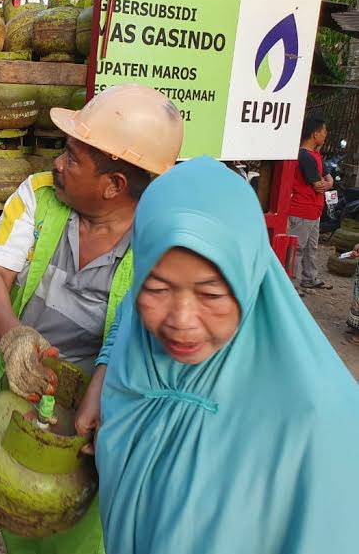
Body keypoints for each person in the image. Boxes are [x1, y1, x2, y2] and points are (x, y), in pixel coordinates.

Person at [87, 156, 359, 553]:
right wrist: (100, 379)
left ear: (250, 277)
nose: (181, 321)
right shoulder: (138, 343)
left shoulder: (318, 423)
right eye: (158, 289)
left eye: (211, 294)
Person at [0, 83, 184, 554]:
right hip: (25, 388)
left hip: (101, 414)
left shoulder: (158, 239)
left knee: (84, 529)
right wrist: (14, 336)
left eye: (72, 157)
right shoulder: (38, 195)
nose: (57, 164)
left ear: (114, 185)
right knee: (18, 513)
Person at [288, 116, 333, 292]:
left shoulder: (316, 155)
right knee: (298, 248)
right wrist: (326, 184)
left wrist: (326, 184)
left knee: (310, 247)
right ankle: (292, 283)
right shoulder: (305, 156)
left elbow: (327, 181)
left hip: (313, 209)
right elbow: (319, 185)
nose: (325, 135)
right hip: (302, 208)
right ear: (315, 134)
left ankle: (309, 277)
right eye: (324, 132)